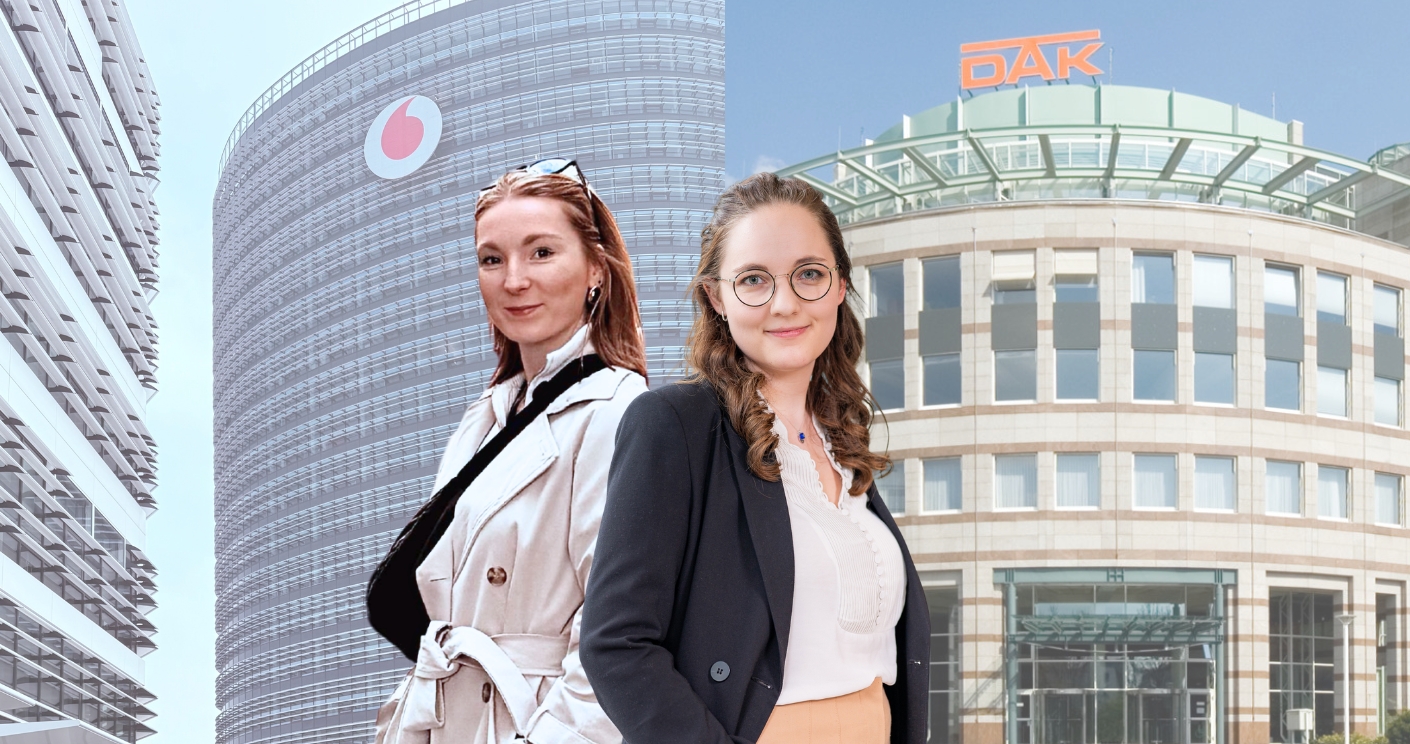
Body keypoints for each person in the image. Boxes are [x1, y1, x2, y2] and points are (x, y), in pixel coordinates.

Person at [580, 172, 929, 744]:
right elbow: (615, 644)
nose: (785, 303)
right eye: (754, 281)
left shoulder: (841, 440)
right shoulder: (674, 426)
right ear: (716, 297)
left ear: (840, 286)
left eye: (809, 275)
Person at [368, 158, 646, 744]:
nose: (513, 279)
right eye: (492, 259)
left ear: (596, 268)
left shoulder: (618, 411)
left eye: (541, 252)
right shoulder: (485, 417)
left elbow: (622, 631)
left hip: (526, 722)